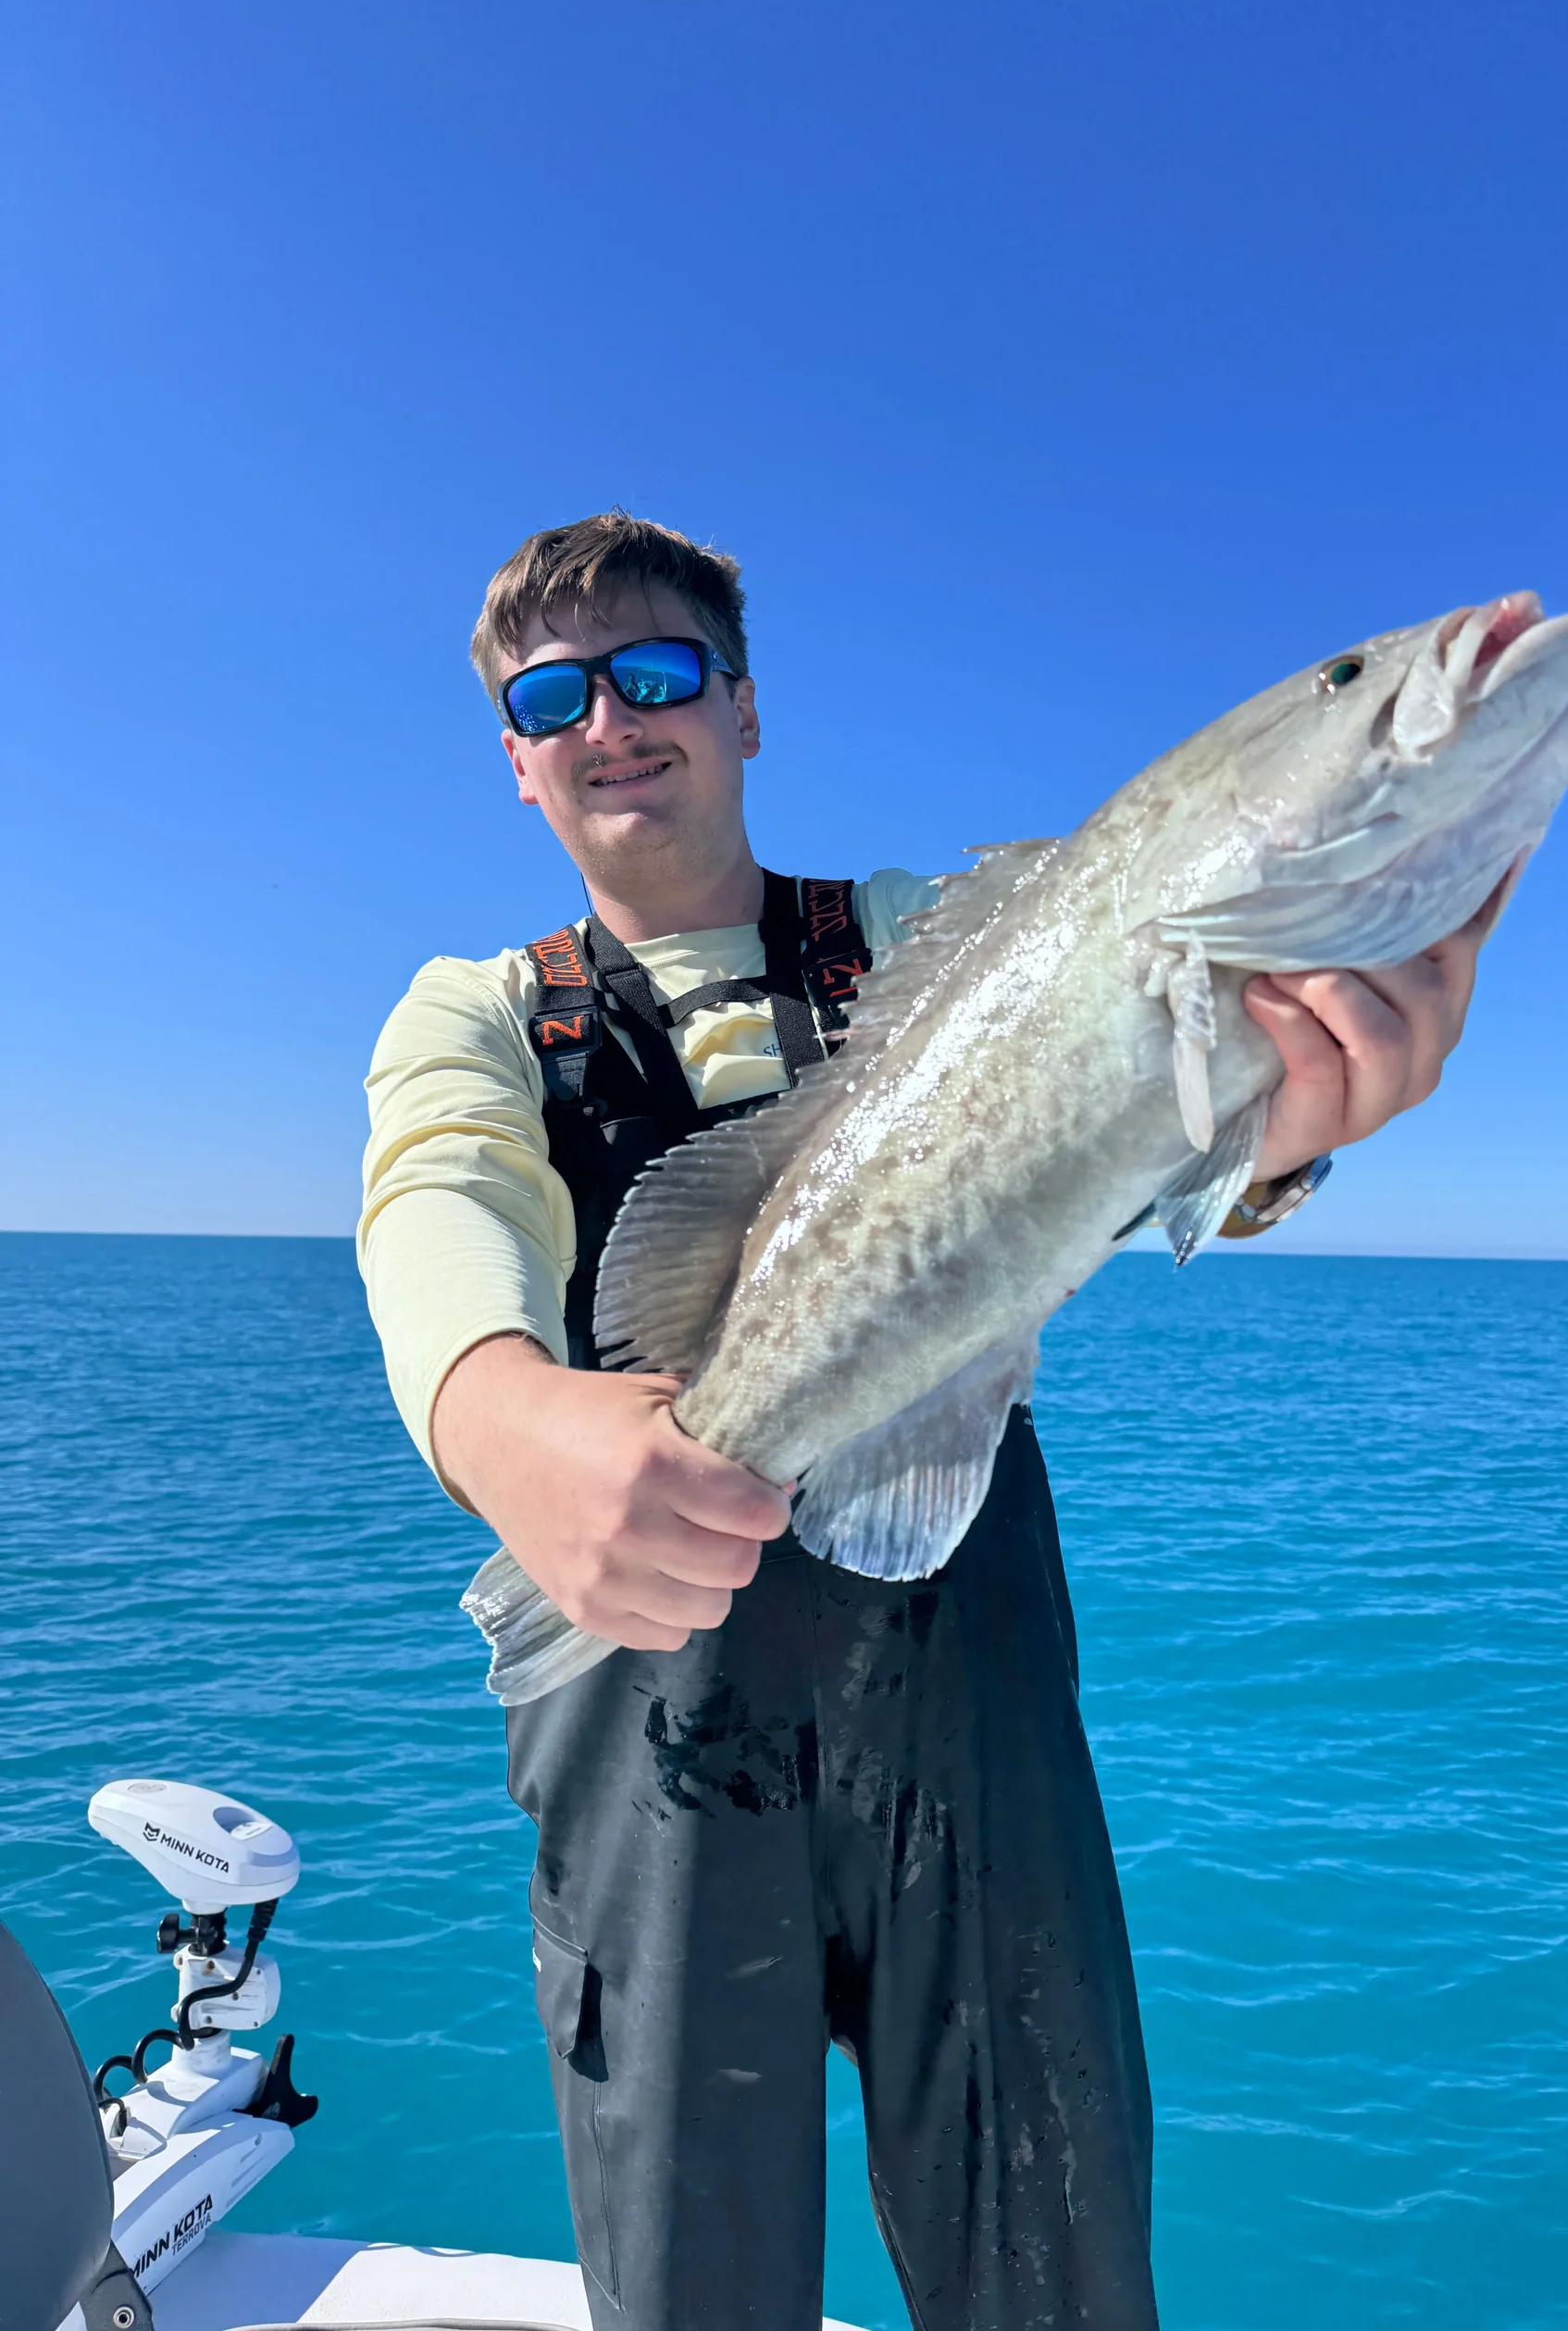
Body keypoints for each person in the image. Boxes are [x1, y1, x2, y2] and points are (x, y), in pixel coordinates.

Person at [359, 513, 1490, 2331]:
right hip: (645, 1708)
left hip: (966, 1693)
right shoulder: (478, 1013)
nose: (611, 722)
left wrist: (1278, 1134)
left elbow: (1118, 1101)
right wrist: (492, 1409)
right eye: (556, 698)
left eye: (658, 675)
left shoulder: (914, 938)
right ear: (517, 755)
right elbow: (437, 1195)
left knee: (1056, 2254)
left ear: (743, 710)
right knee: (689, 2271)